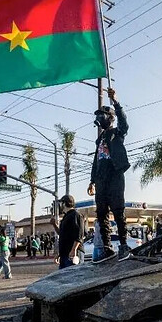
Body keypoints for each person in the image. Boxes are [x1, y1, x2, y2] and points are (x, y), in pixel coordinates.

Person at [88, 87, 130, 263]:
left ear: (110, 118)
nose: (99, 119)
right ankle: (107, 248)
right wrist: (92, 181)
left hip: (114, 177)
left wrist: (116, 102)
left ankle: (124, 245)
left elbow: (124, 123)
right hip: (101, 180)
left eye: (103, 115)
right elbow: (96, 161)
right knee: (101, 213)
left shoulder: (116, 133)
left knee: (118, 211)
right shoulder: (100, 139)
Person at [51, 195, 85, 269]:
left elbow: (79, 234)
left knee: (73, 277)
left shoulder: (76, 214)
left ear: (64, 203)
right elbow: (62, 234)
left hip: (72, 253)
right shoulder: (66, 216)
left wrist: (74, 249)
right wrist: (54, 225)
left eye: (61, 203)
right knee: (64, 278)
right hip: (65, 254)